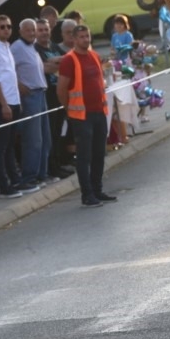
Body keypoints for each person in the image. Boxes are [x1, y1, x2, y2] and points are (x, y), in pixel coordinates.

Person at [57, 24, 116, 208]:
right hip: (81, 116)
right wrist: (69, 109)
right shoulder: (69, 60)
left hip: (99, 112)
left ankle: (97, 190)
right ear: (74, 39)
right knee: (84, 156)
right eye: (81, 37)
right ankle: (87, 194)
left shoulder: (94, 56)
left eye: (87, 36)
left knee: (99, 153)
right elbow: (61, 89)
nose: (85, 39)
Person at [0, 14, 29, 198]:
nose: (6, 30)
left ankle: (15, 180)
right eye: (2, 27)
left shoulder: (6, 47)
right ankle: (4, 186)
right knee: (2, 145)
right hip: (1, 103)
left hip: (13, 100)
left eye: (9, 27)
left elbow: (10, 76)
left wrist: (17, 101)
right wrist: (3, 104)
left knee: (11, 143)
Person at [11, 18, 52, 190]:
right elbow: (9, 70)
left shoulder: (33, 46)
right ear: (21, 32)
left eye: (33, 30)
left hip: (41, 93)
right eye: (28, 30)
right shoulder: (16, 47)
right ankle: (29, 176)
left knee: (45, 138)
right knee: (33, 139)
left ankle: (42, 173)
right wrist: (19, 85)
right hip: (29, 96)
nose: (32, 33)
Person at [35, 18, 68, 179]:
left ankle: (59, 164)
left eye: (46, 29)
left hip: (60, 94)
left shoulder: (54, 46)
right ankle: (51, 167)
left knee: (58, 132)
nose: (44, 33)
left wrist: (55, 62)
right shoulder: (35, 49)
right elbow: (44, 68)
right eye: (40, 30)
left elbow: (68, 62)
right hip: (47, 96)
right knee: (49, 133)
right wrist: (55, 64)